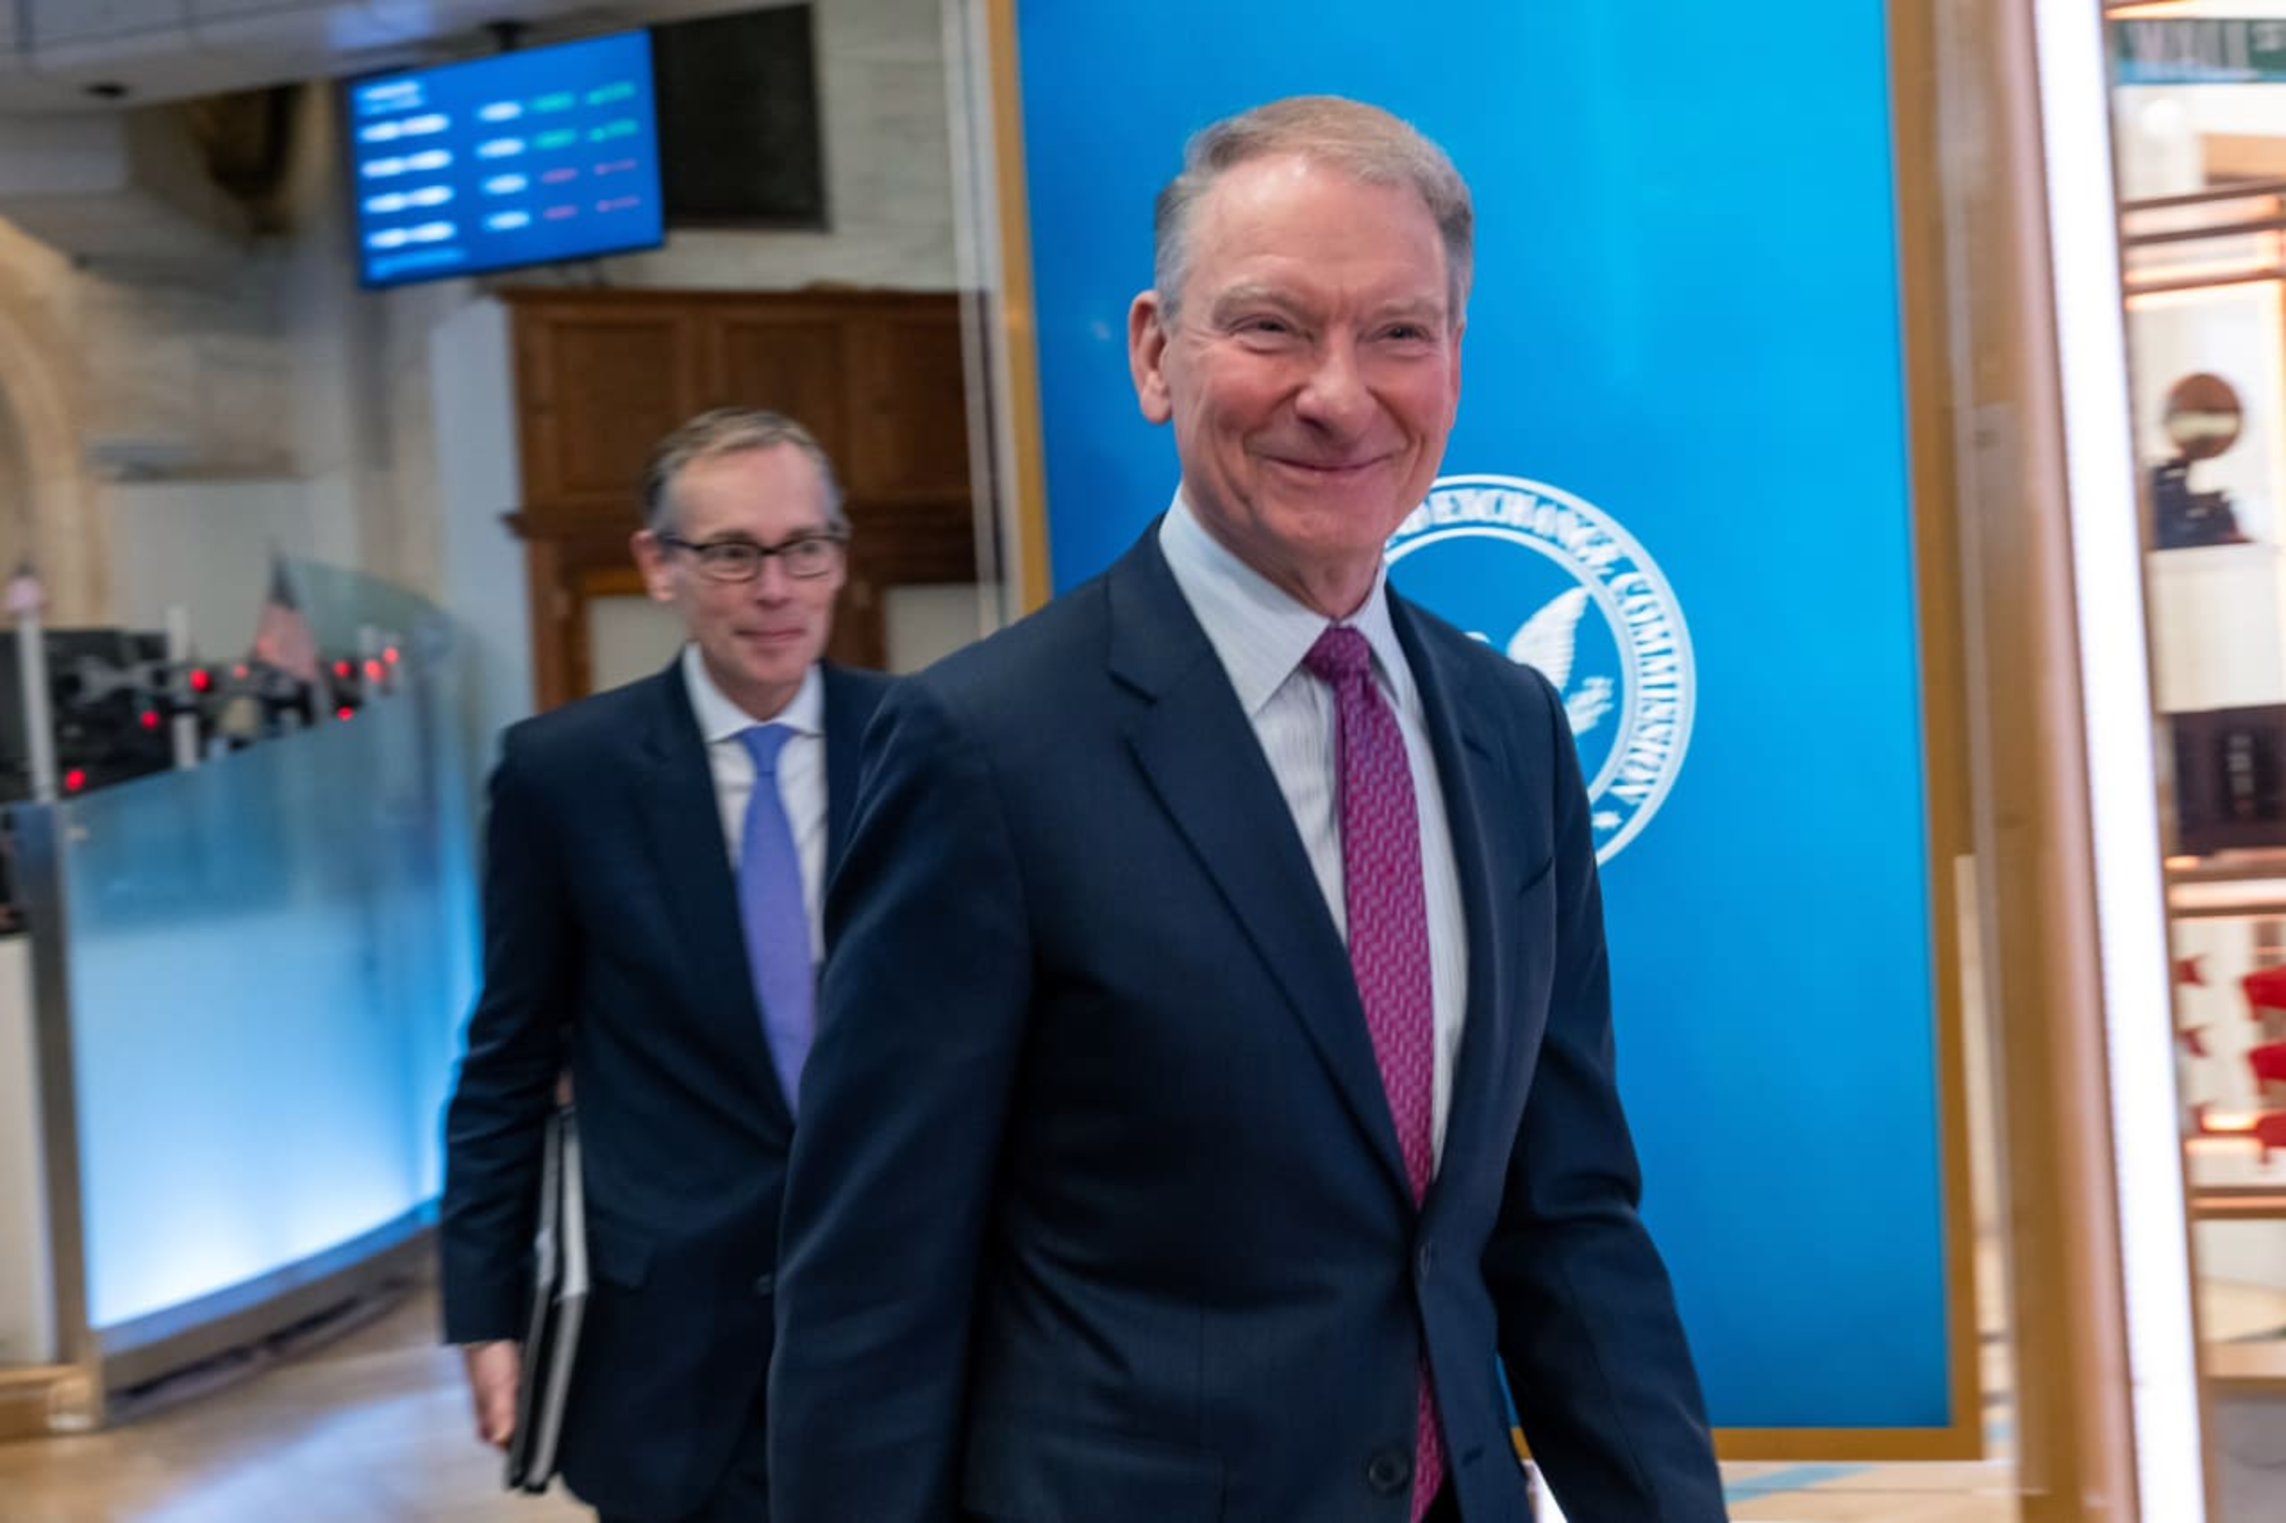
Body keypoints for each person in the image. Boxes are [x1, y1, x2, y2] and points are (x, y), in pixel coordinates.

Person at [767, 97, 1727, 1523]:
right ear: (1157, 352)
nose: (1339, 393)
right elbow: (871, 1295)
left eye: (1398, 332)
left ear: (1453, 361)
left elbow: (1565, 1217)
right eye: (1273, 326)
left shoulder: (1512, 730)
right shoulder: (982, 749)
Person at [440, 408, 891, 1522]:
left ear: (839, 555)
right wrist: (485, 1308)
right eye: (732, 552)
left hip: (897, 1332)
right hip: (670, 1353)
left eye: (804, 548)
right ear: (658, 565)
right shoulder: (563, 776)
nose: (775, 588)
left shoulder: (925, 747)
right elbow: (509, 1058)